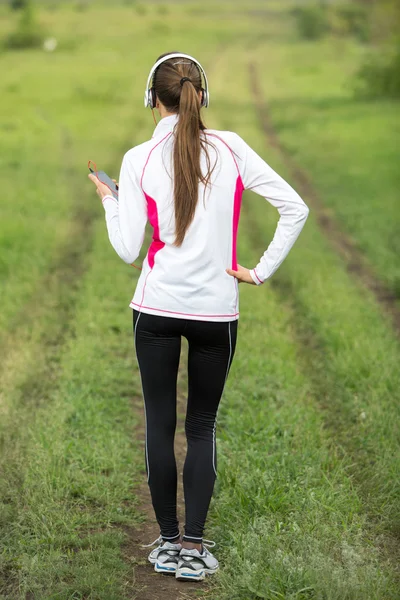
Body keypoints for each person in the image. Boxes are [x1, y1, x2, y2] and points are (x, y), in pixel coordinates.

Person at [88, 51, 309, 582]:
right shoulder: (231, 147)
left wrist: (109, 201)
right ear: (201, 96)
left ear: (152, 99)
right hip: (217, 312)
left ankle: (165, 543)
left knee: (160, 426)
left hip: (156, 309)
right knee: (203, 425)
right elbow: (294, 208)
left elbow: (127, 250)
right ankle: (194, 546)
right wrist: (257, 271)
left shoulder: (138, 157)